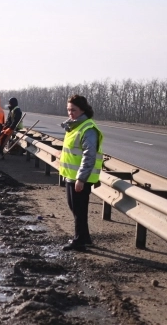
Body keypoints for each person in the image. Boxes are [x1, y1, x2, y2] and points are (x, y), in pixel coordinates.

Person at [59, 95, 104, 252]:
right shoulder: (74, 126)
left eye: (74, 110)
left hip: (81, 177)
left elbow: (89, 156)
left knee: (79, 209)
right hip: (72, 175)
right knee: (75, 208)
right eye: (68, 109)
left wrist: (81, 179)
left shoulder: (87, 128)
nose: (70, 113)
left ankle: (79, 241)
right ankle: (84, 237)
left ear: (82, 110)